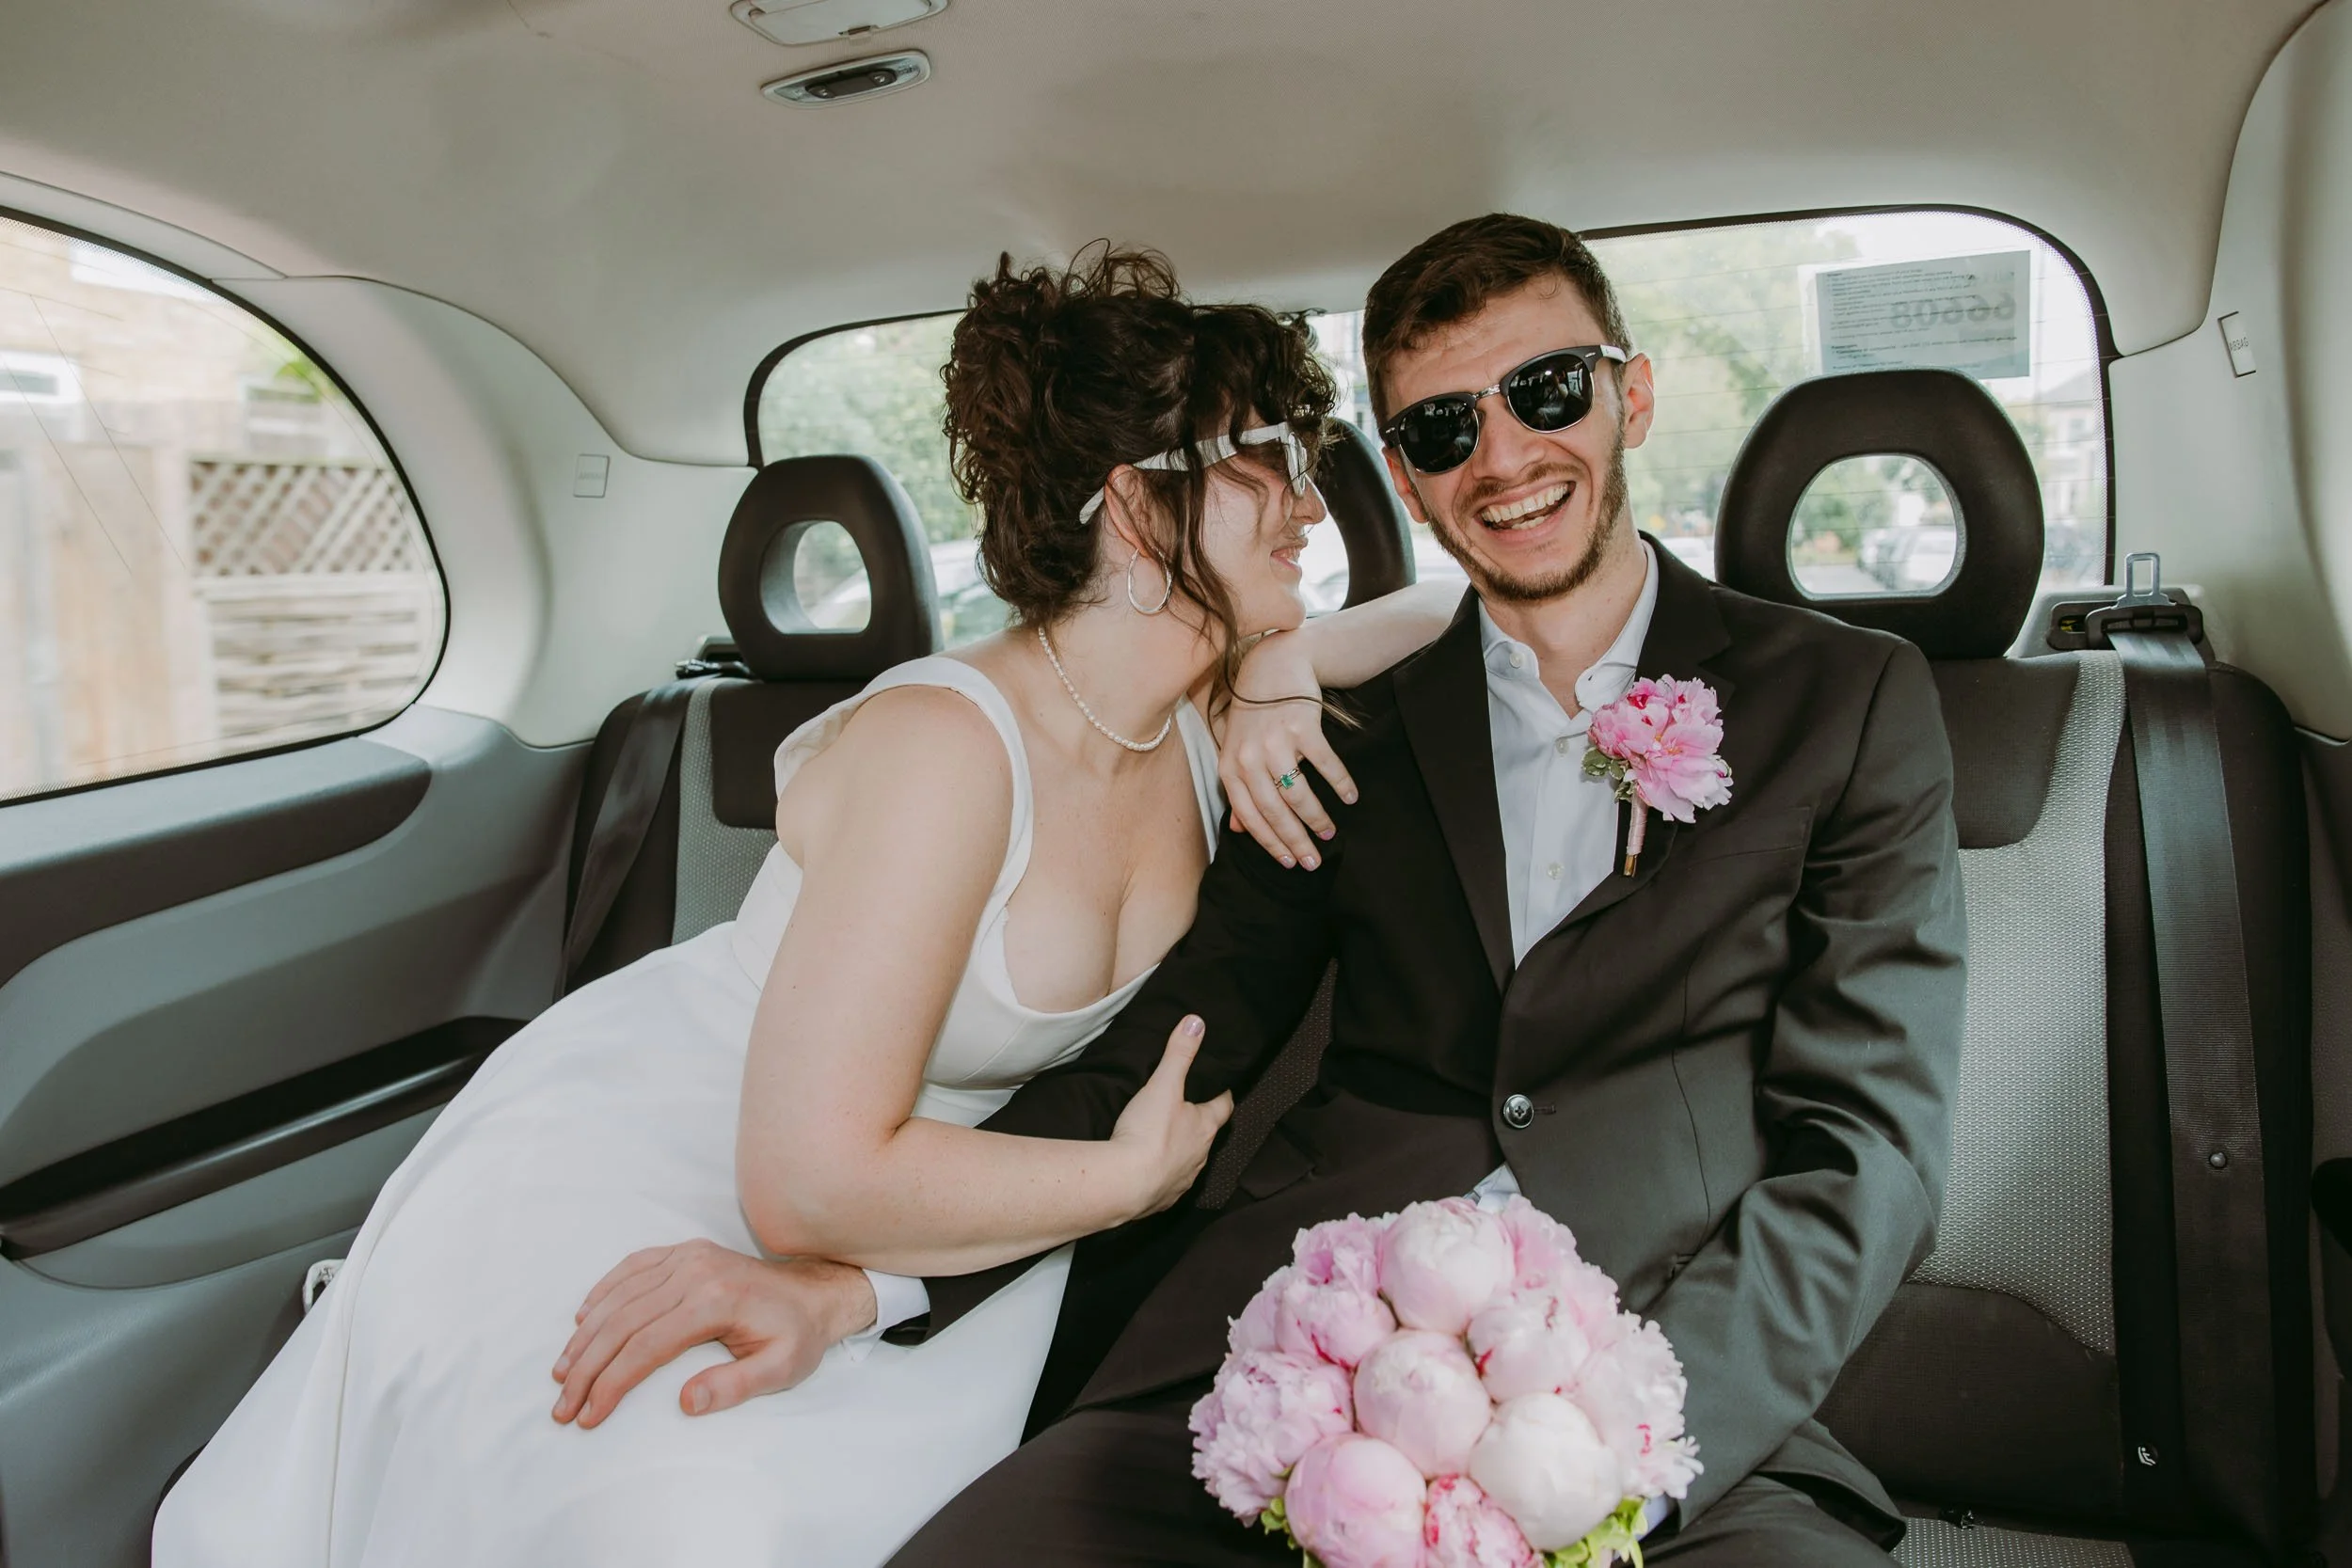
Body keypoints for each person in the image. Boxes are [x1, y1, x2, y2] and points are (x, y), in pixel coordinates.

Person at [602, 213, 1968, 1565]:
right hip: (1289, 1362)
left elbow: (1867, 1148)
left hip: (1673, 1377)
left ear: (1633, 392)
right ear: (1408, 475)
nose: (1501, 457)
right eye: (1440, 430)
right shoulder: (1336, 743)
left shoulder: (1844, 703)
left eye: (1545, 392)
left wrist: (1626, 1450)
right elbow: (1162, 1059)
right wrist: (853, 1291)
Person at [149, 245, 1466, 1568]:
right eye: (1269, 457)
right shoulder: (949, 748)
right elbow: (805, 1184)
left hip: (942, 1200)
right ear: (1133, 505)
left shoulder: (1194, 707)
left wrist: (1284, 660)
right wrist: (1125, 1179)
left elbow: (1461, 597)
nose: (1309, 500)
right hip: (685, 1150)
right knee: (690, 1515)